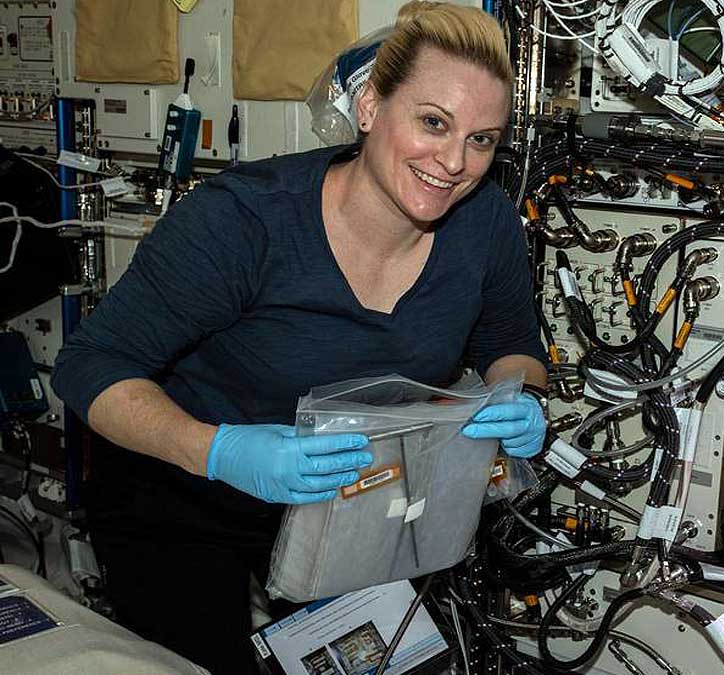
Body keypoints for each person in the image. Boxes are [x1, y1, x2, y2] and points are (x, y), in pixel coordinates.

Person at [50, 3, 547, 673]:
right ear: (370, 107)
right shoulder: (243, 222)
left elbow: (511, 343)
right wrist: (219, 450)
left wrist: (521, 394)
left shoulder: (484, 224)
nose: (454, 160)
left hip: (343, 494)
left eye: (482, 139)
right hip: (181, 490)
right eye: (434, 122)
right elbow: (88, 365)